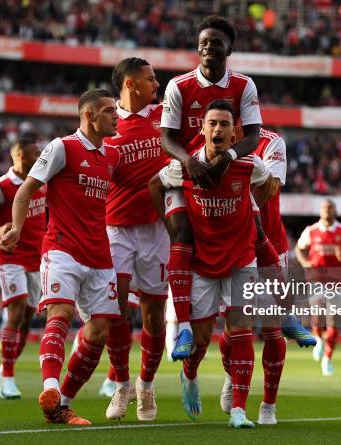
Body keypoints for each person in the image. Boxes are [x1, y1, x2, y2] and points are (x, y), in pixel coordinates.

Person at [160, 15, 314, 358]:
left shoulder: (244, 85)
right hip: (186, 170)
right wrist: (189, 161)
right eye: (203, 42)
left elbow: (254, 136)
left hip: (226, 170)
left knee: (257, 230)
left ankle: (286, 312)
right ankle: (182, 325)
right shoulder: (178, 86)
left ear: (229, 48)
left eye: (215, 42)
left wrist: (227, 156)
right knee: (182, 233)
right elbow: (167, 138)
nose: (208, 48)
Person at [150, 99, 275, 428]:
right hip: (202, 262)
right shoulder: (185, 166)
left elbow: (268, 184)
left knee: (241, 332)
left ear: (235, 133)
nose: (218, 129)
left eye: (224, 124)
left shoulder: (250, 164)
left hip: (240, 259)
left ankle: (238, 411)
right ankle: (189, 376)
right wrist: (175, 231)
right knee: (201, 340)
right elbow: (154, 185)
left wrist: (250, 213)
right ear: (203, 130)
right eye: (212, 123)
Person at [0, 88, 121, 426]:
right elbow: (26, 190)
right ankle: (50, 387)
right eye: (110, 110)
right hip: (62, 248)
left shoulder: (112, 155)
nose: (116, 115)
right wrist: (17, 230)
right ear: (89, 116)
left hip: (100, 256)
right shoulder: (61, 147)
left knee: (98, 332)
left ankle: (61, 404)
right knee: (61, 313)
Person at [97, 57, 170, 422]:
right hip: (117, 228)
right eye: (150, 79)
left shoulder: (166, 115)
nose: (157, 84)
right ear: (130, 84)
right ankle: (122, 385)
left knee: (154, 315)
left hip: (158, 228)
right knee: (114, 310)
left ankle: (146, 383)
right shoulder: (107, 122)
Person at [219, 127, 287, 425]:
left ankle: (268, 405)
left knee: (273, 330)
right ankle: (233, 374)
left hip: (270, 245)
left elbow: (270, 187)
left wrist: (234, 182)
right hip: (233, 248)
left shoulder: (270, 142)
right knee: (235, 328)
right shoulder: (208, 139)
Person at [0, 136, 46, 400]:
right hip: (10, 257)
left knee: (27, 319)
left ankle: (3, 369)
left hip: (36, 259)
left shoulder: (41, 181)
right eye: (36, 153)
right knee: (15, 311)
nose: (40, 157)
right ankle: (8, 379)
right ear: (20, 157)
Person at [295, 199, 341, 376]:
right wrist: (304, 262)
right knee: (317, 314)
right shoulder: (311, 231)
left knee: (334, 323)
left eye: (330, 208)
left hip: (337, 281)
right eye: (324, 208)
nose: (327, 211)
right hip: (316, 279)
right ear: (320, 211)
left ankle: (328, 359)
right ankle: (318, 339)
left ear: (335, 211)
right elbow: (299, 248)